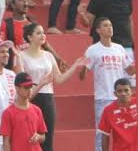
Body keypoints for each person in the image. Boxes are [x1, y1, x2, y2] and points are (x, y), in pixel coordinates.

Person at [18, 22, 87, 151]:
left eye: (43, 32)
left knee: (47, 140)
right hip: (30, 100)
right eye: (38, 33)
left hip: (48, 99)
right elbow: (21, 84)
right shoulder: (21, 56)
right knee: (30, 138)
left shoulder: (48, 55)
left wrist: (75, 65)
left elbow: (59, 79)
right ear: (29, 37)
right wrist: (40, 84)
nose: (42, 35)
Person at [81, 16, 135, 151]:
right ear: (98, 30)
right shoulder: (93, 50)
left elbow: (130, 70)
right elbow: (82, 75)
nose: (109, 28)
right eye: (105, 25)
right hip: (103, 97)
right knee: (102, 134)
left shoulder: (119, 48)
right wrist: (82, 66)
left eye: (110, 25)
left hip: (122, 97)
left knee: (125, 130)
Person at [0, 72, 48, 151]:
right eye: (26, 87)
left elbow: (43, 136)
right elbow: (6, 141)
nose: (29, 90)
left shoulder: (37, 110)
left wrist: (38, 137)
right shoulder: (8, 113)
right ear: (17, 88)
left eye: (31, 87)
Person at [97, 78, 138, 151]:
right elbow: (105, 135)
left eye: (126, 90)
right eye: (120, 91)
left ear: (131, 91)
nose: (123, 93)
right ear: (115, 93)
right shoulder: (108, 110)